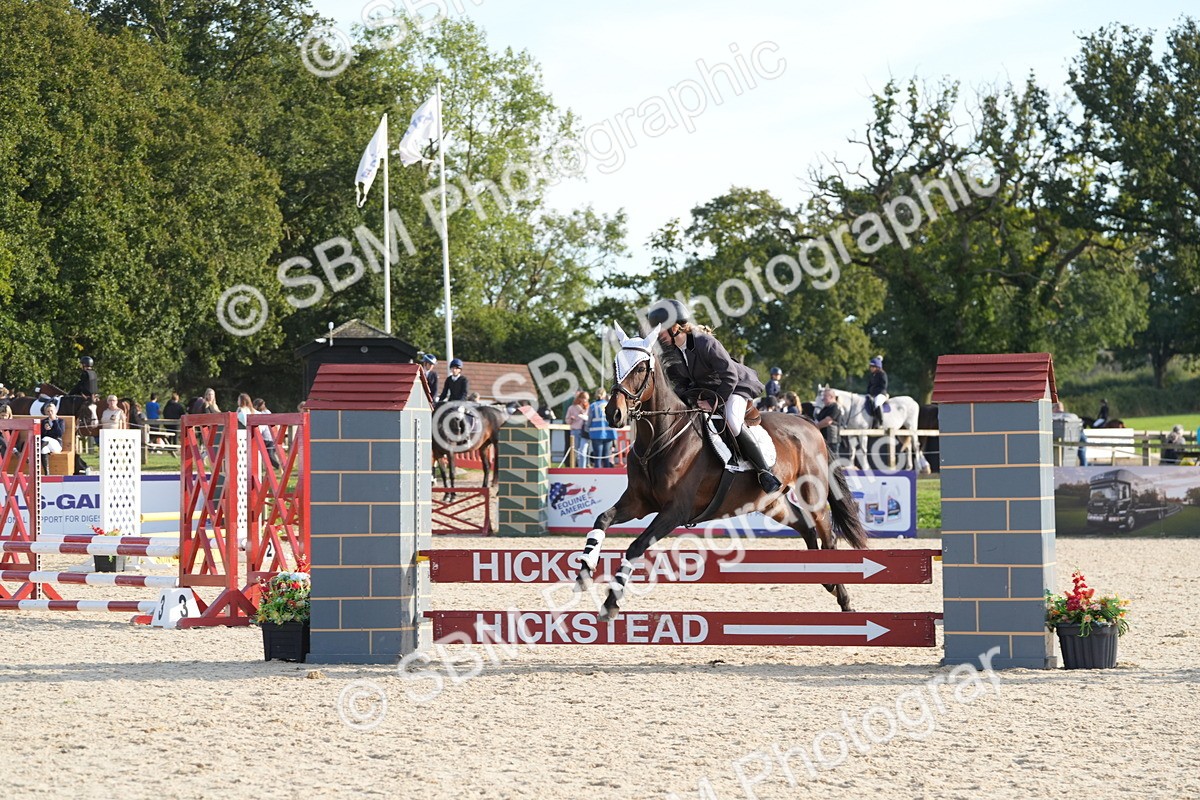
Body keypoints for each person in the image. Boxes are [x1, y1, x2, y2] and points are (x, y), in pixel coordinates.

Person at [649, 299, 781, 492]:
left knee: (733, 422)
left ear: (675, 327)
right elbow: (683, 383)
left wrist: (713, 402)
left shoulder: (705, 343)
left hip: (735, 386)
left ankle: (765, 472)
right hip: (711, 390)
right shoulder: (676, 351)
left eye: (661, 330)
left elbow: (730, 376)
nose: (659, 335)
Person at [586, 387, 617, 468]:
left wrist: (586, 429)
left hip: (596, 434)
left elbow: (589, 420)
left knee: (598, 456)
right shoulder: (609, 404)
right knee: (606, 456)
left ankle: (597, 474)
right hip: (609, 433)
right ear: (604, 395)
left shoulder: (592, 406)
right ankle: (607, 475)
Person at [253, 398, 283, 469]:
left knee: (269, 456)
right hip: (266, 436)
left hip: (267, 437)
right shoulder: (266, 412)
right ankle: (277, 468)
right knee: (268, 456)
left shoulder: (265, 413)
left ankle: (280, 467)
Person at [813, 387, 842, 458]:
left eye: (825, 396)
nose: (823, 399)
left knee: (833, 460)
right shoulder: (825, 408)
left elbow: (828, 421)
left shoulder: (835, 407)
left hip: (831, 440)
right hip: (824, 439)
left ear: (831, 397)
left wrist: (815, 427)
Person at [565, 390, 590, 466]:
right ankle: (575, 466)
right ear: (580, 398)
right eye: (584, 398)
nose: (585, 400)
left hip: (585, 432)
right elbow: (567, 420)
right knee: (575, 450)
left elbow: (591, 418)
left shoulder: (588, 407)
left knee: (583, 451)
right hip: (575, 430)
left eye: (586, 399)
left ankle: (583, 468)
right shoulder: (571, 408)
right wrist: (571, 419)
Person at [38, 401, 64, 473]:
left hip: (57, 445)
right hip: (46, 444)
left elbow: (60, 433)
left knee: (46, 439)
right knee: (43, 450)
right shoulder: (44, 422)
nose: (50, 413)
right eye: (48, 411)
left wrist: (55, 421)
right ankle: (47, 473)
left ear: (55, 411)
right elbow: (41, 436)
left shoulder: (60, 421)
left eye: (52, 411)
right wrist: (45, 430)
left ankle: (34, 455)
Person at [864, 356, 888, 427]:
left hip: (881, 394)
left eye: (872, 366)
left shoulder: (882, 374)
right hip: (873, 394)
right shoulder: (872, 375)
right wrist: (868, 393)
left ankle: (880, 421)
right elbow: (869, 386)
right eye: (871, 366)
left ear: (877, 367)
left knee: (877, 402)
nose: (870, 368)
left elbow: (883, 386)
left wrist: (874, 393)